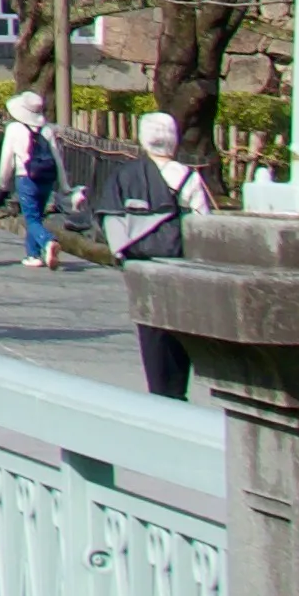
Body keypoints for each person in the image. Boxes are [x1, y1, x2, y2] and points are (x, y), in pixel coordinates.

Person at [116, 109, 211, 396]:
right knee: (179, 330)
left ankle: (159, 394)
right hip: (180, 265)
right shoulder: (188, 178)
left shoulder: (130, 176)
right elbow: (201, 222)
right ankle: (177, 391)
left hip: (144, 267)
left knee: (152, 333)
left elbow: (114, 220)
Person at [4, 80, 60, 266]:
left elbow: (7, 159)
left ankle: (47, 241)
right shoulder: (48, 130)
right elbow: (57, 158)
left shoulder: (14, 129)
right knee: (37, 215)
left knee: (31, 217)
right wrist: (65, 184)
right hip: (46, 177)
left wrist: (2, 182)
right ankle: (32, 255)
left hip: (26, 177)